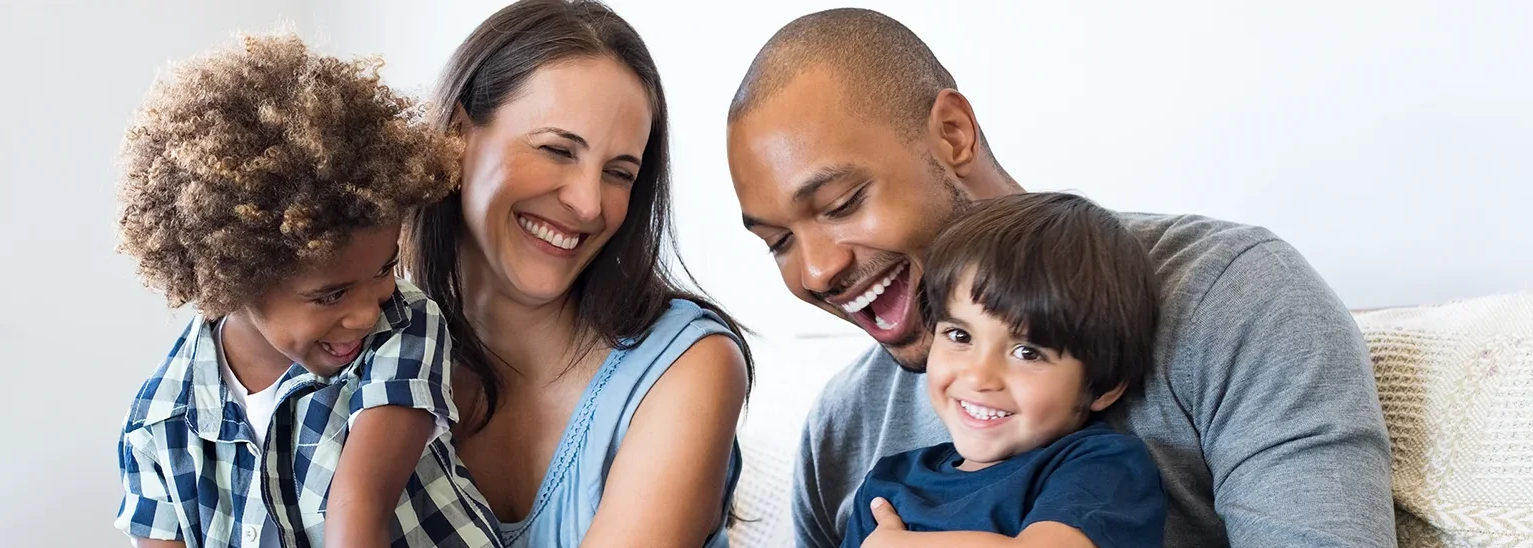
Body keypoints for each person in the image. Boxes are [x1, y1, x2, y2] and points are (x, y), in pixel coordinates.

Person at [724, 8, 1395, 547]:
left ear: (953, 135)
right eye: (779, 243)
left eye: (842, 204)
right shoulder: (842, 429)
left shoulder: (1232, 299)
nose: (817, 271)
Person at [111, 33, 498, 548]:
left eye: (384, 269)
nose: (365, 313)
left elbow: (358, 508)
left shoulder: (405, 327)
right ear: (237, 281)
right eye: (331, 295)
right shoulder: (160, 420)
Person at [405, 0, 753, 546]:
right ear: (457, 136)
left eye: (618, 173)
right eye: (557, 150)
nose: (590, 205)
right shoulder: (365, 342)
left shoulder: (688, 366)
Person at [841, 193, 1164, 548]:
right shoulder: (888, 486)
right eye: (959, 335)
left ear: (1106, 386)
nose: (979, 377)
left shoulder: (1100, 467)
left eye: (1027, 352)